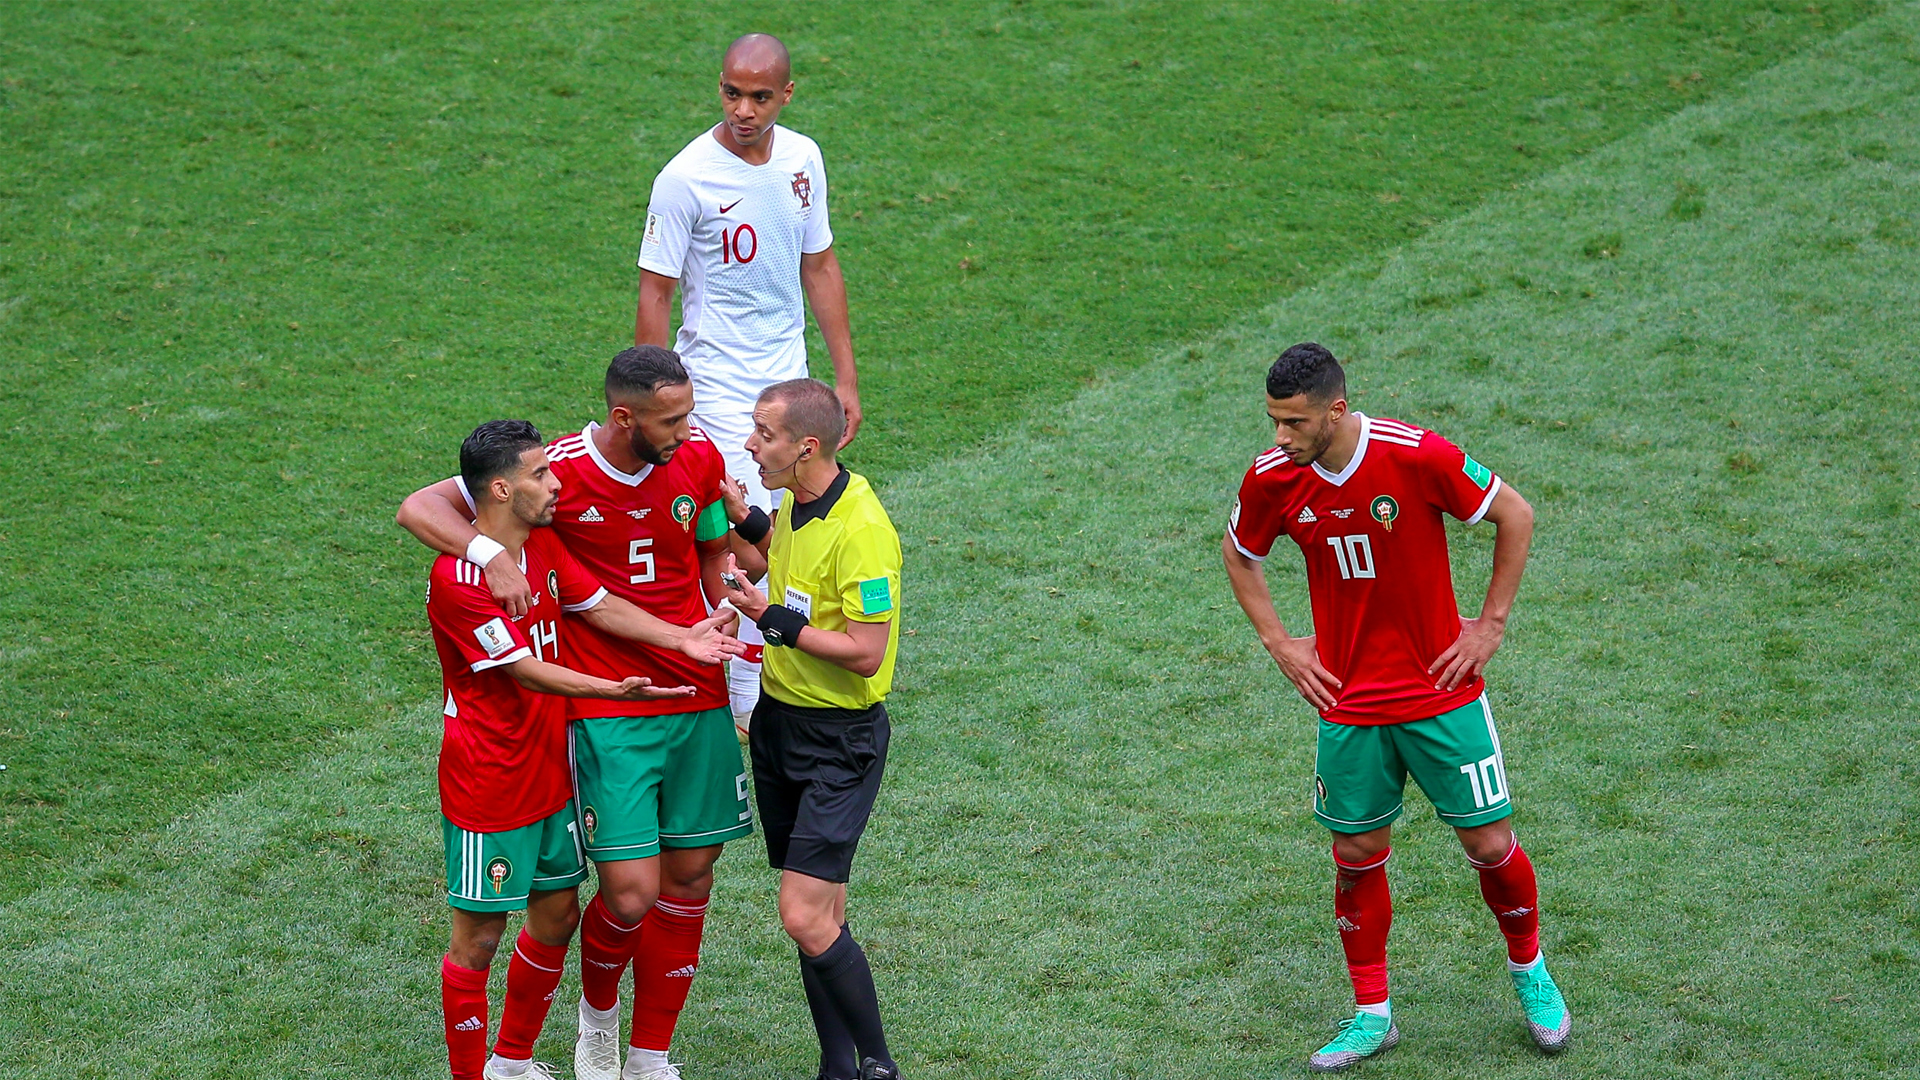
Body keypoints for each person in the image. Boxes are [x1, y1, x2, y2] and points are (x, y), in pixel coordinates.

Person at [398, 349, 757, 1080]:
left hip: (630, 721)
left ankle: (600, 1055)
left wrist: (722, 613)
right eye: (672, 419)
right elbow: (421, 509)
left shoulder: (579, 528)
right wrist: (483, 550)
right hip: (544, 743)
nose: (690, 431)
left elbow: (693, 561)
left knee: (639, 889)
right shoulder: (509, 526)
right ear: (625, 417)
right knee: (595, 902)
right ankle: (571, 1035)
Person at [1220, 343, 1570, 1071]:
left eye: (1294, 422)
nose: (1280, 437)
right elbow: (1240, 554)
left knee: (1489, 846)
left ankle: (1531, 973)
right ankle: (1372, 1014)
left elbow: (1515, 513)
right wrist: (1281, 643)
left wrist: (1490, 624)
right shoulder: (1272, 478)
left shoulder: (1415, 456)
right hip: (1348, 704)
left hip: (1441, 696)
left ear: (1337, 411)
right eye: (1274, 421)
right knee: (1354, 853)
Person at [635, 31, 864, 737]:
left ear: (786, 95)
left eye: (759, 96)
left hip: (789, 383)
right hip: (718, 387)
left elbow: (819, 265)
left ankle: (767, 679)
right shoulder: (685, 178)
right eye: (732, 93)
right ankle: (740, 698)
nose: (743, 109)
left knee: (793, 523)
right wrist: (652, 402)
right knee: (740, 541)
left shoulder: (803, 159)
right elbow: (655, 291)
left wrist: (845, 377)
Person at [716, 379, 902, 1080]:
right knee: (820, 913)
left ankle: (880, 1064)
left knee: (801, 913)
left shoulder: (864, 532)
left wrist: (770, 619)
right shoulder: (795, 502)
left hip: (839, 742)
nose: (749, 444)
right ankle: (838, 1066)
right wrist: (749, 526)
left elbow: (864, 650)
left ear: (807, 446)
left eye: (763, 434)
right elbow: (786, 572)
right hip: (779, 726)